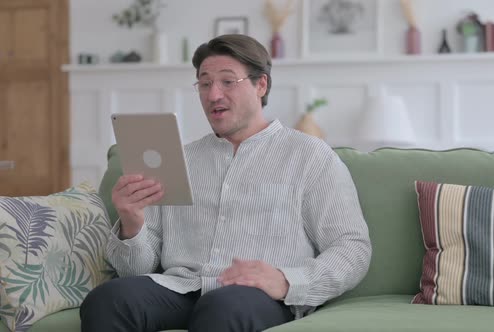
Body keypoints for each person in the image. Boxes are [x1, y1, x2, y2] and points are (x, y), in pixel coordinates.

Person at [80, 34, 371, 332]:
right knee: (108, 299)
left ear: (261, 85)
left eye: (227, 82)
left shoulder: (310, 155)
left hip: (257, 297)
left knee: (222, 308)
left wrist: (287, 280)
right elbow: (135, 270)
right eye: (204, 84)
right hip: (182, 288)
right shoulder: (180, 159)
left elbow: (352, 248)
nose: (213, 94)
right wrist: (131, 223)